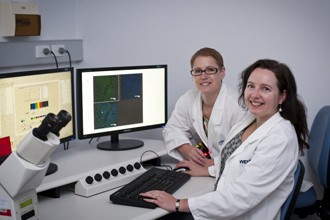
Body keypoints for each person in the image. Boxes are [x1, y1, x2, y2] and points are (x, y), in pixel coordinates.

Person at [141, 59, 309, 220]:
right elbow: (236, 162)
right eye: (251, 86)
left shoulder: (279, 137)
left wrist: (178, 203)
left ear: (282, 96)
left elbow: (242, 196)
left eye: (265, 89)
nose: (255, 95)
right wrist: (209, 170)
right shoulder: (251, 119)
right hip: (226, 205)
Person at [163, 47, 247, 168]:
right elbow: (172, 129)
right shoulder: (187, 99)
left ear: (222, 72)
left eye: (210, 70)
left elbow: (244, 152)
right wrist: (185, 148)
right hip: (204, 168)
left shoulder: (238, 106)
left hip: (231, 172)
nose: (203, 76)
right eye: (198, 71)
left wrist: (213, 164)